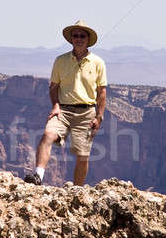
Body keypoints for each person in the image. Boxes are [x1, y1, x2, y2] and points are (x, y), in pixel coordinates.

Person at [24, 19, 107, 186]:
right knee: (48, 135)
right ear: (71, 38)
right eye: (75, 35)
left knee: (83, 155)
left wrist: (99, 116)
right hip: (63, 110)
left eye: (82, 35)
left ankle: (77, 190)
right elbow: (54, 87)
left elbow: (102, 92)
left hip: (86, 112)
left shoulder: (98, 63)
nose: (78, 38)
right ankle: (38, 176)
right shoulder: (60, 61)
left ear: (88, 39)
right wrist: (55, 105)